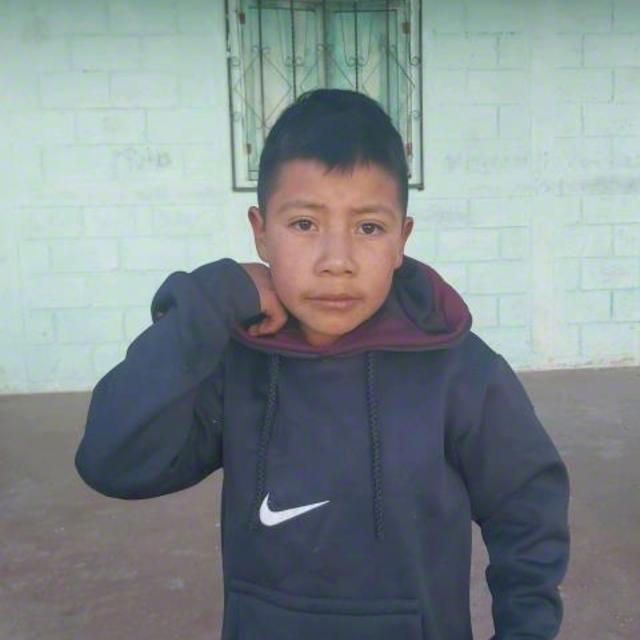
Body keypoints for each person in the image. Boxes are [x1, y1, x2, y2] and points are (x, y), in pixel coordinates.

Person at [75, 88, 570, 639]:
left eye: (368, 227)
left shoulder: (462, 372)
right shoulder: (237, 363)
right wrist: (212, 299)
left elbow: (528, 510)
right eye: (305, 224)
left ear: (401, 239)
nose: (337, 261)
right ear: (261, 232)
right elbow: (112, 461)